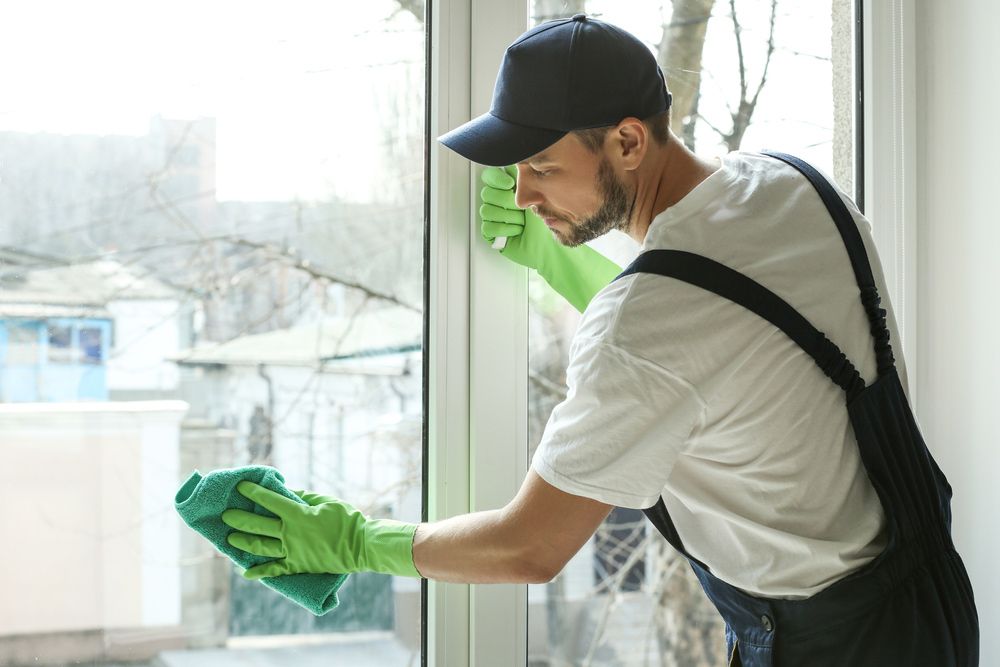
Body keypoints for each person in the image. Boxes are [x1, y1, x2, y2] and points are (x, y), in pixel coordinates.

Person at [219, 15, 978, 665]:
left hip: (831, 642)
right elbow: (728, 340)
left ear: (626, 140)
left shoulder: (645, 322)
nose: (523, 194)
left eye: (543, 165)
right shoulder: (791, 185)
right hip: (930, 595)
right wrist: (578, 273)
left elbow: (531, 545)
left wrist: (354, 541)